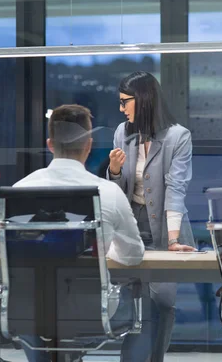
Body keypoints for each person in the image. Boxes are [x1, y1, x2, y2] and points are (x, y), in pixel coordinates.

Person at [13, 104, 153, 362]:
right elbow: (133, 256)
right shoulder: (108, 192)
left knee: (36, 316)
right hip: (90, 310)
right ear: (88, 146)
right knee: (151, 303)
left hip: (30, 310)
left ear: (50, 144)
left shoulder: (19, 190)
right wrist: (102, 245)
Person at [107, 71, 196, 362]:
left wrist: (172, 240)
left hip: (165, 226)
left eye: (125, 102)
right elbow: (117, 192)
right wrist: (115, 171)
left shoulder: (178, 136)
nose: (121, 109)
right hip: (132, 226)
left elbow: (176, 188)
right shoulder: (123, 132)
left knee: (163, 303)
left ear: (143, 100)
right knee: (133, 302)